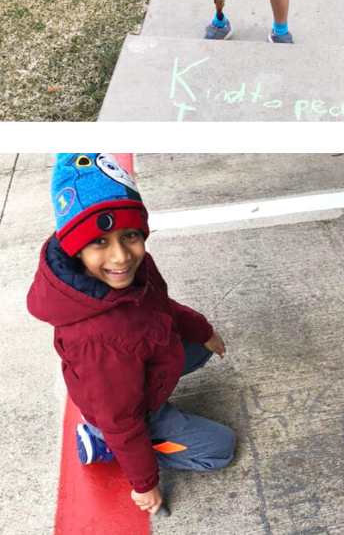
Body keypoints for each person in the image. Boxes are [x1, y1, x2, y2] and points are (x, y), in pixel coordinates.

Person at [26, 154, 235, 516]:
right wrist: (145, 483)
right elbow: (122, 418)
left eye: (131, 236)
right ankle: (103, 441)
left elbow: (161, 307)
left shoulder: (134, 267)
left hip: (131, 369)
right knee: (220, 449)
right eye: (99, 243)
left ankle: (119, 432)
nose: (121, 256)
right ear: (76, 248)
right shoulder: (97, 339)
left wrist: (203, 330)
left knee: (198, 348)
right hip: (123, 413)